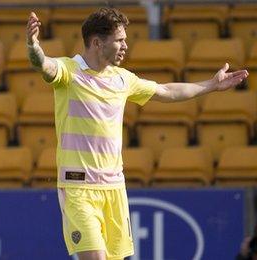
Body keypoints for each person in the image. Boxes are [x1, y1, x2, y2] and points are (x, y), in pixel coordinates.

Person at [26, 8, 249, 260]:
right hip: (78, 186)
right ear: (98, 42)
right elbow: (43, 64)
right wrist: (33, 45)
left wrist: (211, 85)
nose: (125, 45)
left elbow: (167, 91)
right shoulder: (69, 72)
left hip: (114, 187)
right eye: (119, 40)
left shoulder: (123, 79)